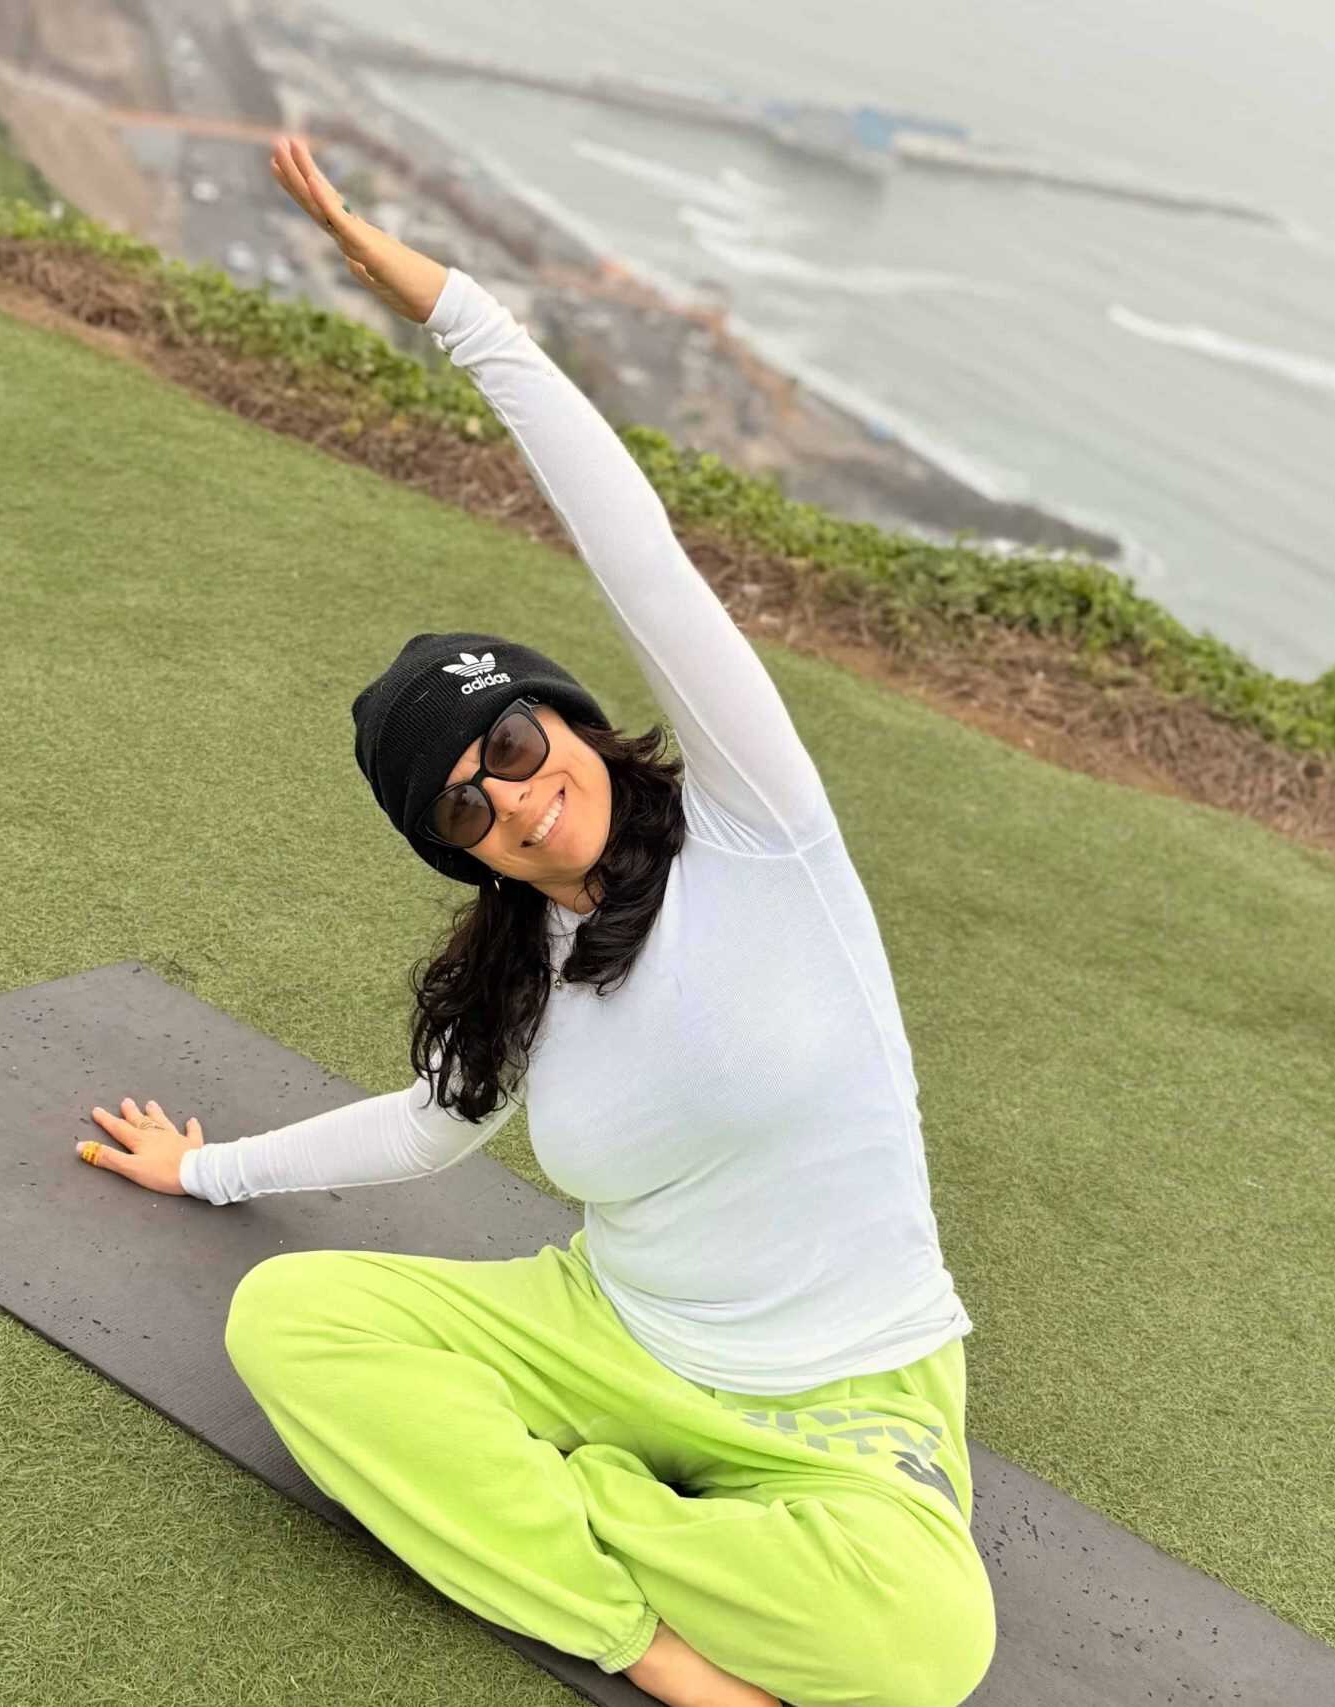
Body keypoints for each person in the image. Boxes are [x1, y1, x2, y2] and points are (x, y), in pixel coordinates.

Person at [75, 133, 995, 1707]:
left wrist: (454, 313)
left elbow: (635, 548)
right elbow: (430, 1134)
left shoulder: (759, 829)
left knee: (927, 1642)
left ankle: (557, 1507)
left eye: (512, 745)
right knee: (292, 1322)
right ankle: (649, 1641)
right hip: (605, 1340)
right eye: (462, 803)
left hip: (840, 1393)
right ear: (460, 849)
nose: (508, 794)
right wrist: (207, 1172)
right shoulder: (528, 976)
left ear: (564, 721)